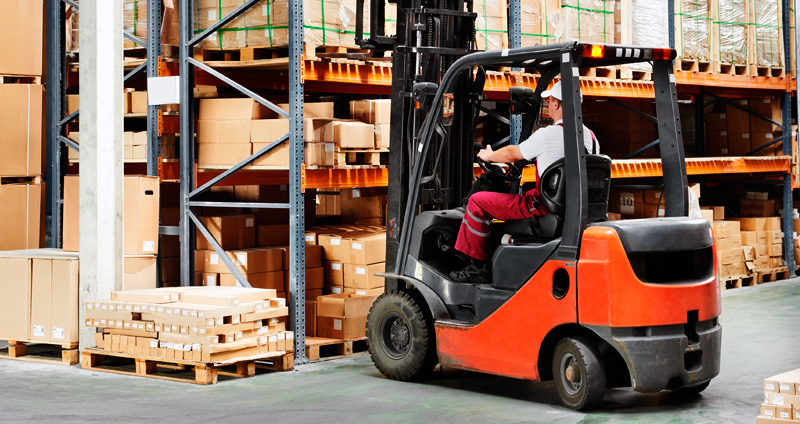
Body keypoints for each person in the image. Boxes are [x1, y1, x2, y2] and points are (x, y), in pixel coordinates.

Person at [449, 81, 599, 283]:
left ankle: (475, 267)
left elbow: (512, 154)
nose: (548, 106)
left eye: (549, 102)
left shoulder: (547, 135)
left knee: (477, 201)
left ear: (556, 104)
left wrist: (489, 155)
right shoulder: (591, 138)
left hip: (541, 209)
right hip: (575, 212)